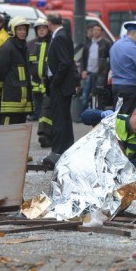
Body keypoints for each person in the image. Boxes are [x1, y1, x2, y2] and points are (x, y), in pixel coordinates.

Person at [80, 104, 136, 182]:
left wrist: (124, 170)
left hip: (123, 168)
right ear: (134, 114)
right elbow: (84, 116)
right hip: (100, 164)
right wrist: (101, 114)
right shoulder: (115, 120)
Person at [42, 14, 78, 169]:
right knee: (63, 118)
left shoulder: (60, 37)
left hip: (60, 86)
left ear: (49, 24)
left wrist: (55, 81)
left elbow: (64, 63)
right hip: (61, 85)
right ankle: (65, 148)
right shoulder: (62, 35)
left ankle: (59, 150)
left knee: (60, 119)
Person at [0, 16, 34, 125]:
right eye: (19, 29)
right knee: (8, 131)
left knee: (20, 132)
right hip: (11, 100)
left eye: (24, 29)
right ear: (12, 30)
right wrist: (0, 88)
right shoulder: (7, 48)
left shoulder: (23, 47)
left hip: (23, 102)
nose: (23, 32)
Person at [78, 22, 112, 118]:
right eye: (94, 30)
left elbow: (109, 59)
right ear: (92, 31)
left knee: (99, 95)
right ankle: (83, 115)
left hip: (100, 73)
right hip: (88, 73)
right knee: (85, 95)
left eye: (98, 30)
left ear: (101, 32)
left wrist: (107, 71)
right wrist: (82, 71)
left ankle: (98, 114)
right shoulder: (87, 43)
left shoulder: (106, 43)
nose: (96, 32)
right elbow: (83, 59)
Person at [26, 17, 51, 121]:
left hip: (48, 82)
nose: (41, 30)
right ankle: (36, 115)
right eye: (39, 28)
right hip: (35, 82)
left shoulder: (53, 43)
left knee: (48, 104)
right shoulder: (30, 44)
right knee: (36, 100)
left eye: (44, 28)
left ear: (48, 29)